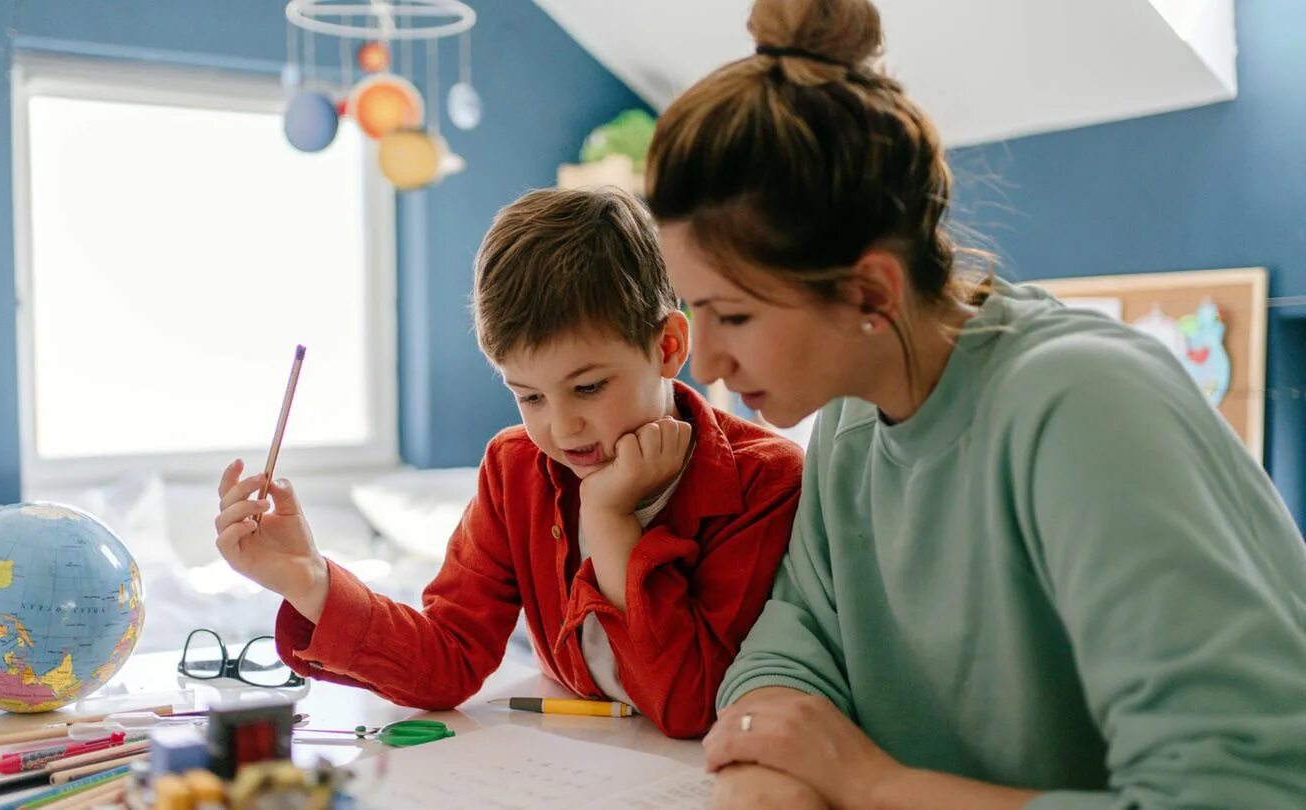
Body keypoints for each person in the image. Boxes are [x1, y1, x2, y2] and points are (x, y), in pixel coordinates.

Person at [645, 0, 1306, 804]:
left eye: (735, 315)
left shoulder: (1083, 410)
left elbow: (1238, 794)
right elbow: (795, 644)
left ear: (869, 290)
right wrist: (766, 768)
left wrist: (868, 782)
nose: (705, 359)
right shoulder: (854, 416)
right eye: (693, 309)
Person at [213, 188, 803, 738]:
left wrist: (609, 520)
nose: (562, 427)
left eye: (590, 387)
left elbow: (691, 706)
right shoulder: (514, 467)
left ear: (668, 346)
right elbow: (450, 659)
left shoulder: (765, 480)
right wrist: (308, 580)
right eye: (529, 397)